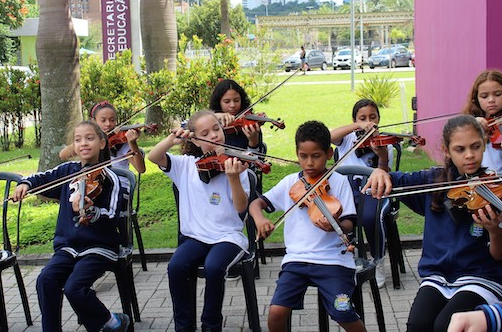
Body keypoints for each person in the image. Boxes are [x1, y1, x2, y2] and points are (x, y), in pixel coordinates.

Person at [364, 115, 502, 332]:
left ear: (485, 143)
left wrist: (494, 231)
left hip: (481, 277)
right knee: (417, 325)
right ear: (447, 150)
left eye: (476, 147)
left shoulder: (495, 191)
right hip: (437, 276)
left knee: (445, 326)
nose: (469, 155)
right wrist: (379, 172)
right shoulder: (432, 182)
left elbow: (500, 255)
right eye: (460, 149)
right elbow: (392, 179)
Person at [13, 120, 130, 332]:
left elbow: (112, 214)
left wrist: (93, 212)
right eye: (78, 140)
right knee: (45, 280)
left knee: (75, 288)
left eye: (90, 138)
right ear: (74, 146)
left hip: (99, 247)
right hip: (68, 247)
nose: (83, 143)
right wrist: (25, 184)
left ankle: (112, 322)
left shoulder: (110, 178)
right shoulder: (69, 171)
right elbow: (42, 177)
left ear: (102, 143)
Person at [249, 121, 366, 332]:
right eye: (303, 156)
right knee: (276, 313)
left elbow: (350, 222)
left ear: (329, 154)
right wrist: (260, 219)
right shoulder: (290, 183)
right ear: (296, 154)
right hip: (297, 260)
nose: (309, 163)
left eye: (316, 156)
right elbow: (257, 204)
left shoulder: (338, 182)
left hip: (334, 261)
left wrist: (336, 225)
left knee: (343, 311)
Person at [147, 110, 250, 332]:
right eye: (205, 133)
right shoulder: (186, 166)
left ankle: (211, 326)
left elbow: (241, 208)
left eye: (216, 129)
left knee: (214, 268)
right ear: (194, 140)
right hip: (195, 237)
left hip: (228, 237)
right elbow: (153, 157)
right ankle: (184, 327)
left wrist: (233, 177)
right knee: (176, 267)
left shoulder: (235, 165)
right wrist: (171, 140)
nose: (214, 135)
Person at [330, 99, 393, 287]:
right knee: (335, 215)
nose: (368, 121)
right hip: (346, 190)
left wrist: (381, 155)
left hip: (373, 190)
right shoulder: (347, 139)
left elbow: (385, 174)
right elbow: (329, 136)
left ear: (379, 119)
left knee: (371, 217)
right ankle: (343, 261)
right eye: (362, 118)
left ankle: (378, 260)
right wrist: (357, 126)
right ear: (355, 119)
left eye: (372, 117)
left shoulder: (385, 143)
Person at [59, 100, 146, 197]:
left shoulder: (123, 144)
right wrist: (86, 140)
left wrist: (133, 143)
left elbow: (141, 169)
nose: (108, 124)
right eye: (103, 120)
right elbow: (63, 155)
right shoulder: (90, 144)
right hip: (96, 188)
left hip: (119, 191)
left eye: (112, 120)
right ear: (94, 122)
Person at [464, 70, 502, 173]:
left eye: (497, 94)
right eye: (484, 96)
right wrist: (471, 126)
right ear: (476, 98)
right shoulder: (470, 121)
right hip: (477, 182)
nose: (491, 100)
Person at [209, 79, 266, 156]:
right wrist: (213, 116)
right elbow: (189, 126)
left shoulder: (250, 124)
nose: (232, 105)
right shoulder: (211, 123)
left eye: (236, 100)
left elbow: (258, 161)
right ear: (219, 102)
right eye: (227, 101)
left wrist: (253, 142)